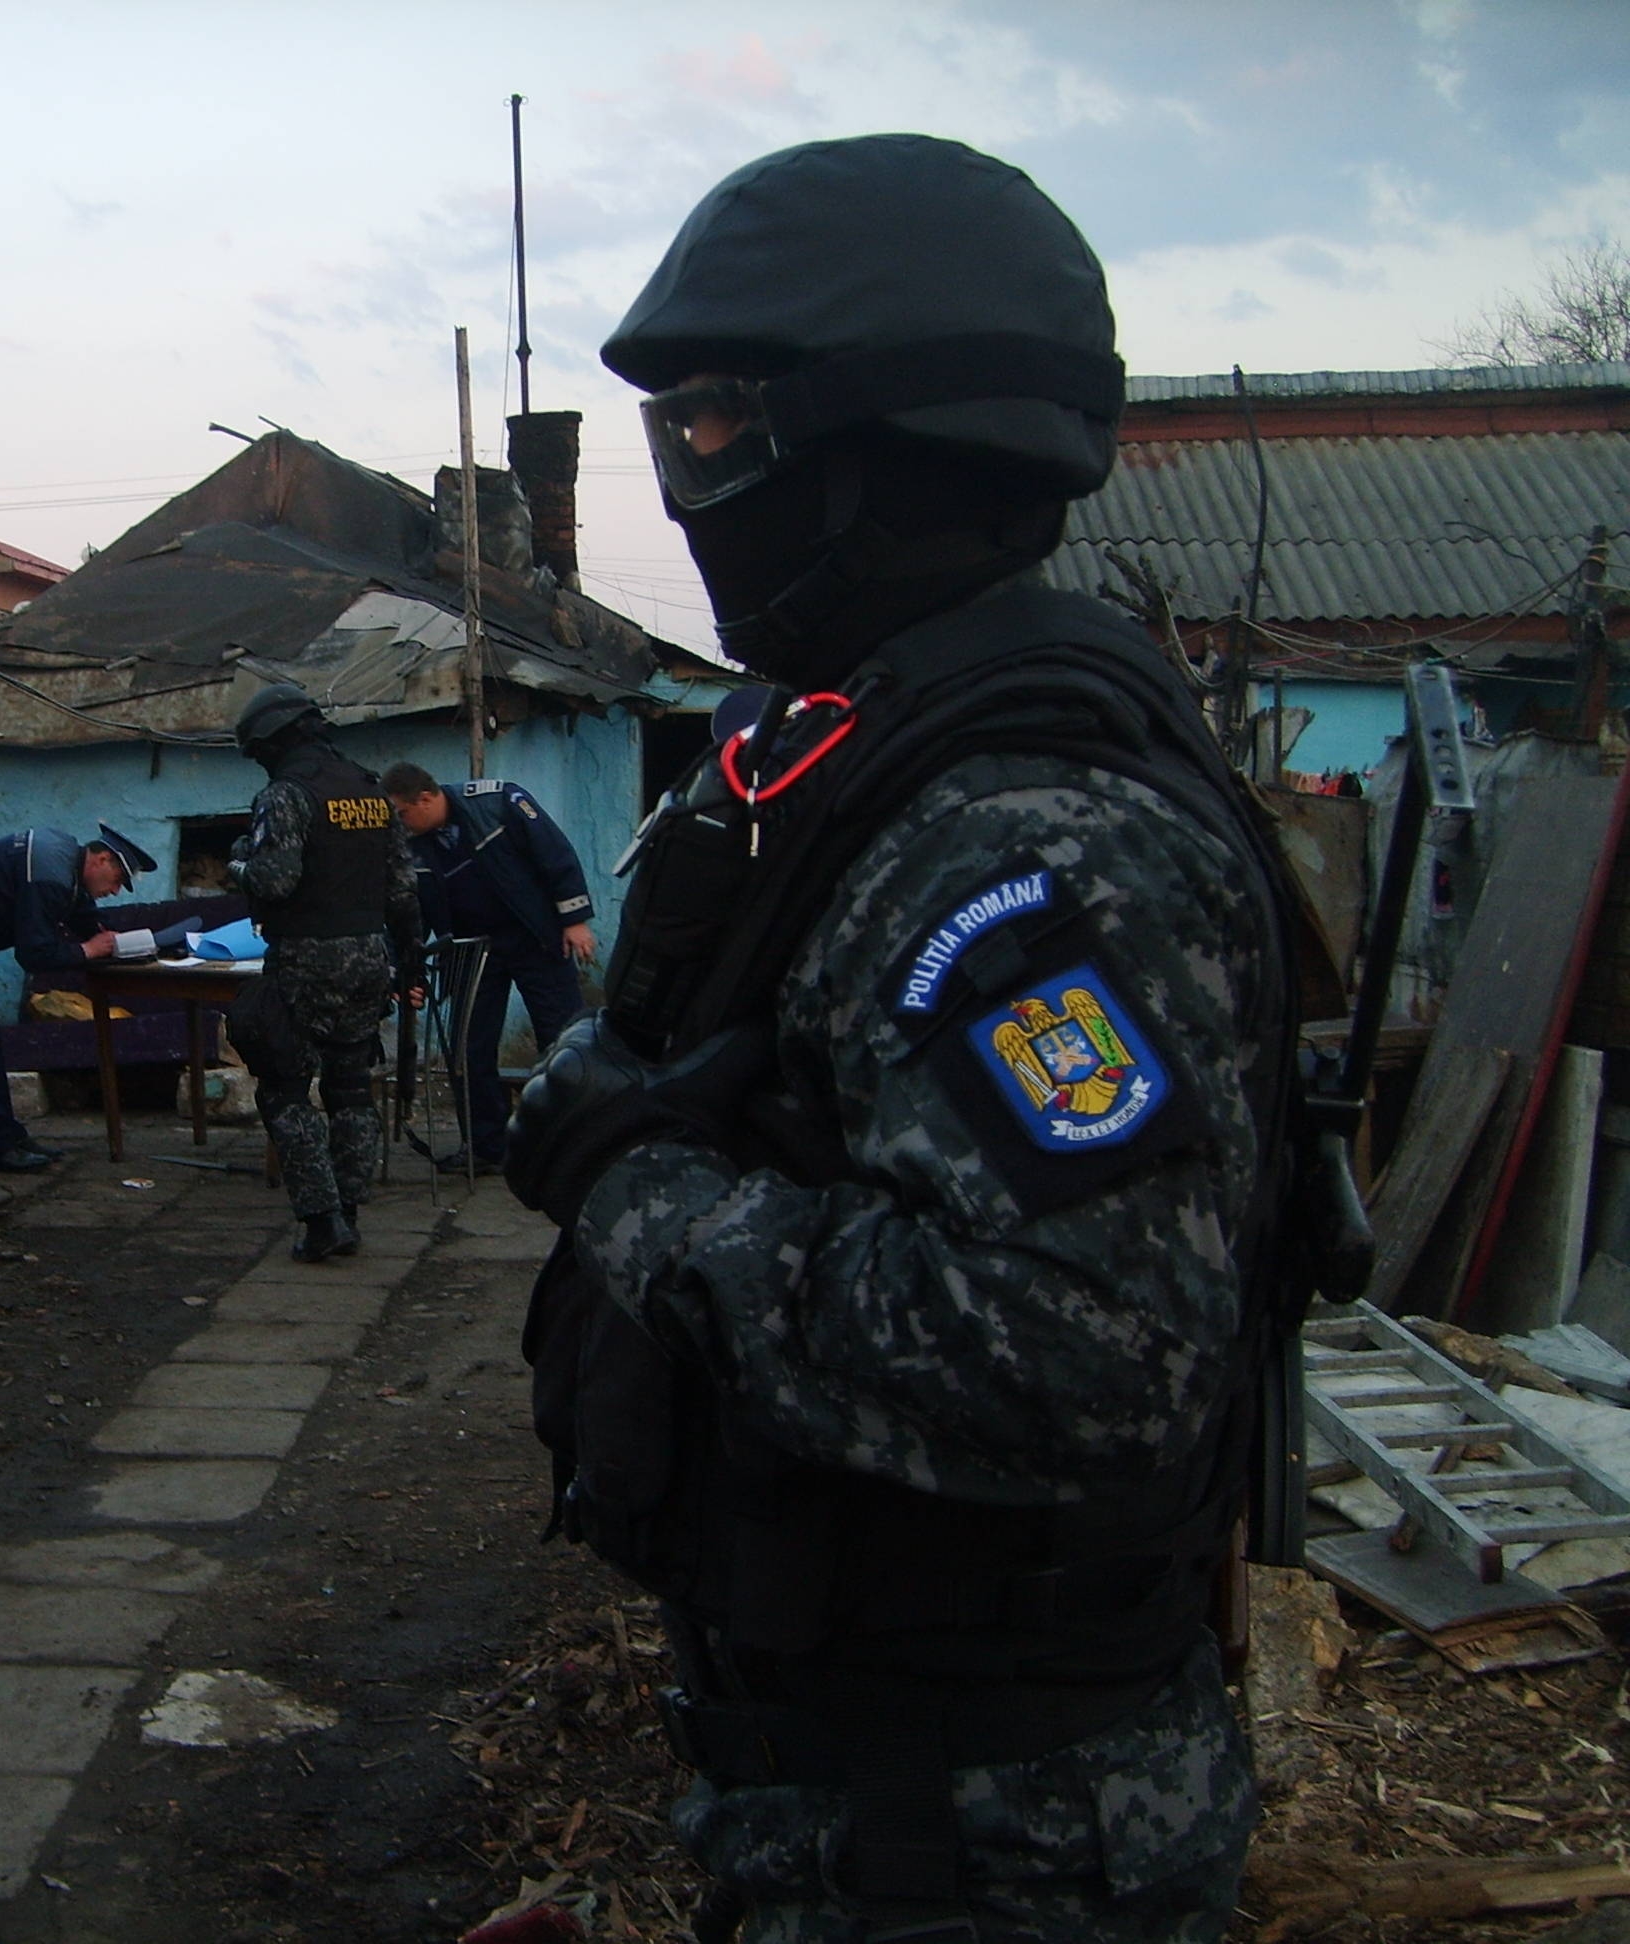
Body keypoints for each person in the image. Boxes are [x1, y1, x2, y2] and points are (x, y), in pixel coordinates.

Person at [504, 135, 1299, 1943]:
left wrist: (638, 1184)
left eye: (716, 421)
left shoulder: (1017, 834)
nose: (690, 478)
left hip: (987, 1834)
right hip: (875, 1784)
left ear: (881, 437)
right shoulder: (870, 749)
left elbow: (1076, 1349)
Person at [226, 683, 423, 1261]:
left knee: (285, 1090)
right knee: (350, 1087)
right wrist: (408, 955)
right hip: (369, 954)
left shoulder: (286, 795)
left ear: (275, 742)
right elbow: (403, 887)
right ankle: (351, 1212)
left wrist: (239, 860)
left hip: (307, 957)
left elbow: (273, 882)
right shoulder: (369, 789)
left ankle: (321, 1220)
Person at [382, 762, 595, 1171]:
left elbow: (554, 852)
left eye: (403, 814)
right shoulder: (410, 848)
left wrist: (574, 920)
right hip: (471, 950)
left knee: (565, 1041)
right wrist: (406, 971)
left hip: (535, 938)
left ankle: (575, 1143)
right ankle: (486, 1147)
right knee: (469, 1049)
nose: (400, 824)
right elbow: (406, 914)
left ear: (424, 799)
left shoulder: (496, 803)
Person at [0, 822, 157, 1172]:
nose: (117, 891)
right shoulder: (50, 876)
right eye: (118, 880)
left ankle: (8, 1135)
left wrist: (109, 939)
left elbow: (81, 912)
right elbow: (34, 954)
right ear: (101, 859)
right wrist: (87, 951)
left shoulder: (67, 861)